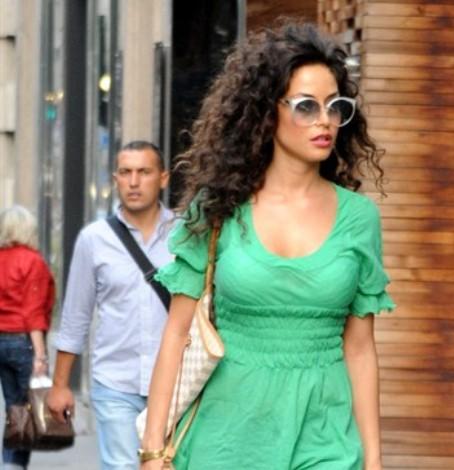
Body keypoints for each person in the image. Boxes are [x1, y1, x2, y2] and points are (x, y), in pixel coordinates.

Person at [138, 22, 393, 470]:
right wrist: (153, 449)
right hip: (226, 440)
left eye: (335, 106)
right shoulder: (218, 207)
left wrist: (373, 461)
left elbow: (359, 348)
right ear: (266, 112)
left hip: (325, 438)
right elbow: (177, 333)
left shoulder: (359, 218)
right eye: (306, 106)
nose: (324, 121)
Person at [46, 141, 173, 470]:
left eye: (144, 172)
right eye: (125, 172)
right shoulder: (94, 239)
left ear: (163, 178)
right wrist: (60, 386)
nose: (134, 182)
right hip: (116, 383)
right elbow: (75, 317)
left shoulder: (185, 235)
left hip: (176, 386)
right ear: (115, 179)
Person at [0, 205, 55, 470]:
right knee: (26, 411)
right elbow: (33, 311)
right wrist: (41, 356)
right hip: (22, 343)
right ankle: (13, 464)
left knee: (14, 407)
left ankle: (12, 463)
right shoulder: (33, 261)